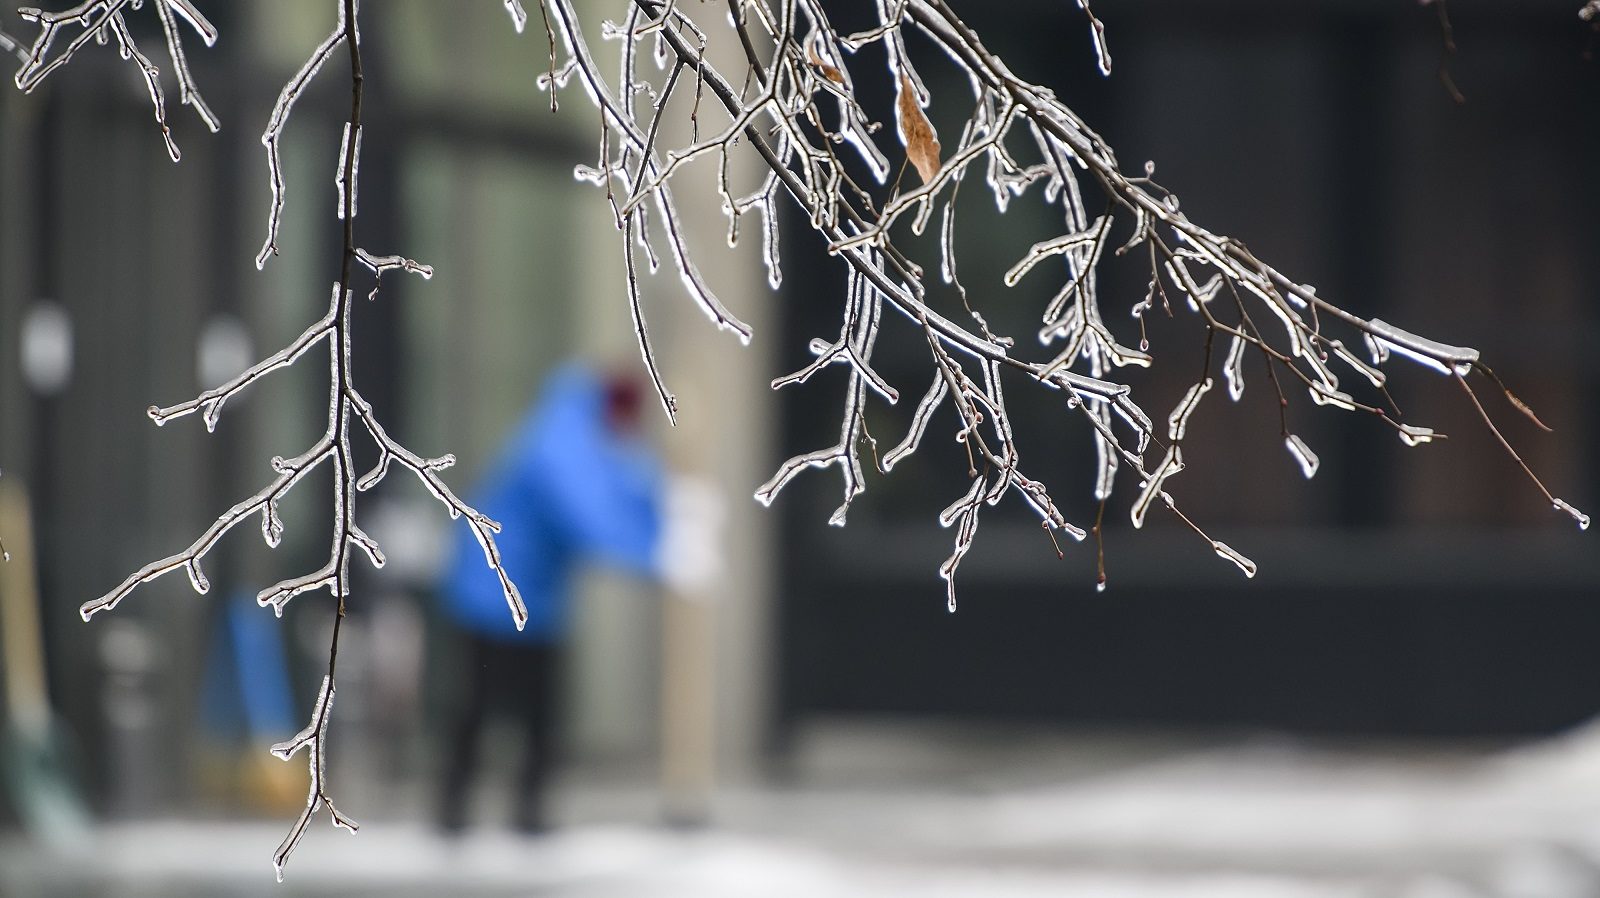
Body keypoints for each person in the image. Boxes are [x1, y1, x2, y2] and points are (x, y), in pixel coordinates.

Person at [436, 362, 662, 834]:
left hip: (533, 599)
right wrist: (657, 552)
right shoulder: (563, 442)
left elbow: (624, 487)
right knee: (484, 707)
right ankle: (459, 813)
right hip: (494, 594)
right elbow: (587, 514)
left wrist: (664, 520)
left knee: (534, 713)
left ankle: (517, 814)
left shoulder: (584, 438)